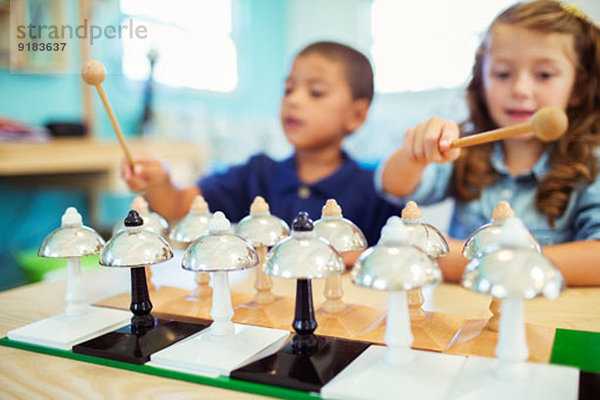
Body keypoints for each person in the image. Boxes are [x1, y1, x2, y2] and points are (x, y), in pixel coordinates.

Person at [379, 1, 600, 286]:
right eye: (502, 74)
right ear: (481, 80)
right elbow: (393, 187)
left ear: (578, 88)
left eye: (544, 75)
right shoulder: (461, 146)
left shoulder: (591, 164)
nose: (520, 89)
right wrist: (416, 154)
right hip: (464, 322)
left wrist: (471, 262)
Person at [122, 41, 403, 248]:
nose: (293, 100)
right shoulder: (257, 174)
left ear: (356, 114)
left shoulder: (377, 187)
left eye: (315, 92)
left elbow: (397, 256)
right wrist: (160, 180)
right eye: (289, 89)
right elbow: (180, 206)